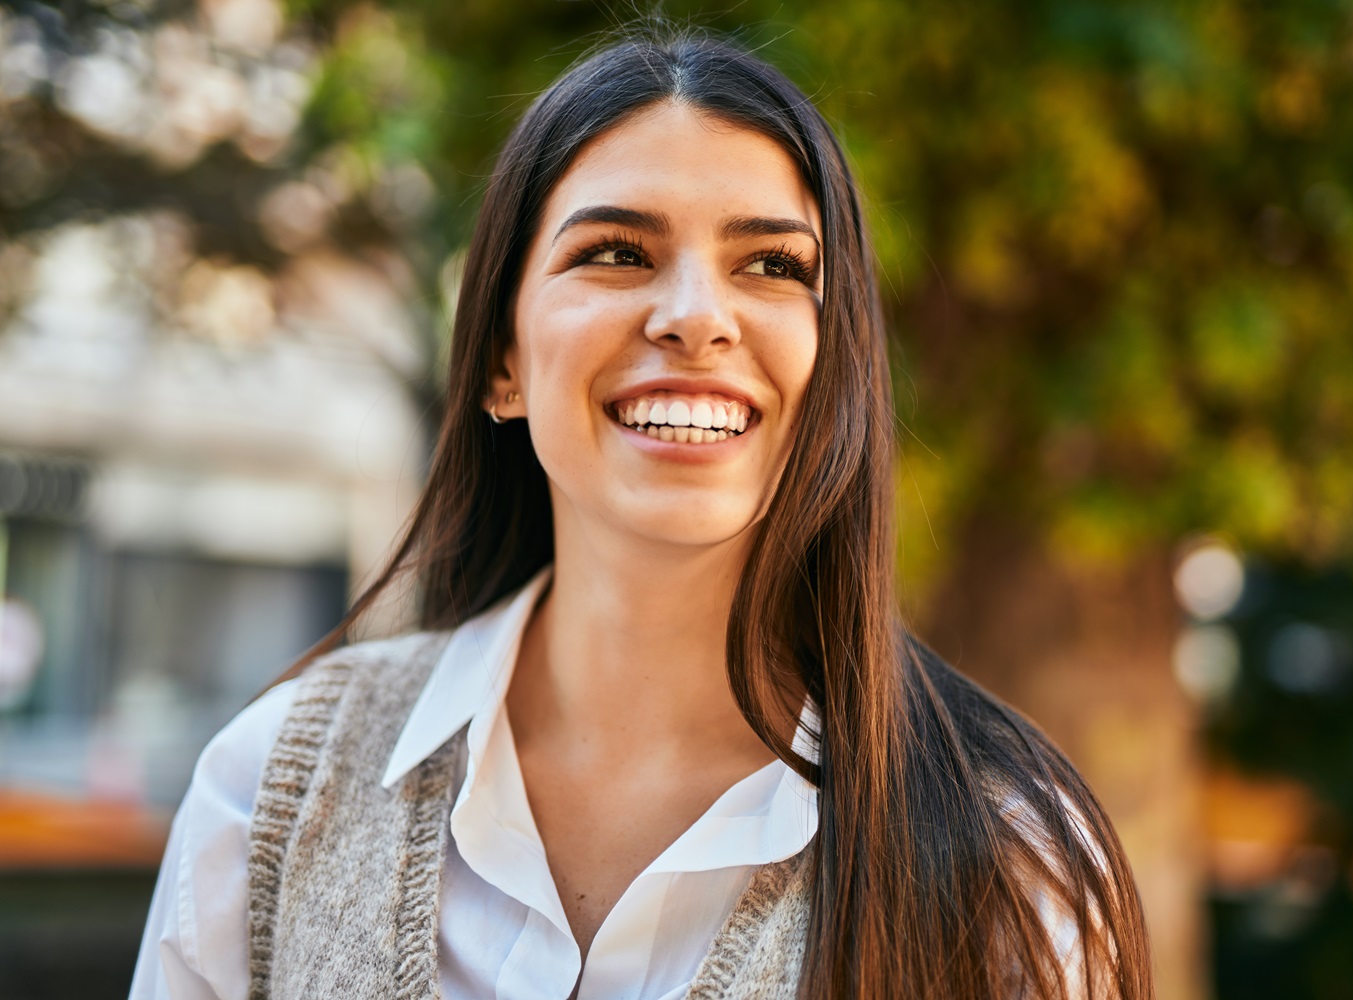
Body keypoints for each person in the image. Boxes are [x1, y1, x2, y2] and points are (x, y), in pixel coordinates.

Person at [130, 28, 1152, 1000]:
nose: (698, 315)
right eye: (617, 252)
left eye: (773, 265)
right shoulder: (269, 788)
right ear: (501, 359)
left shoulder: (1006, 858)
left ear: (835, 364)